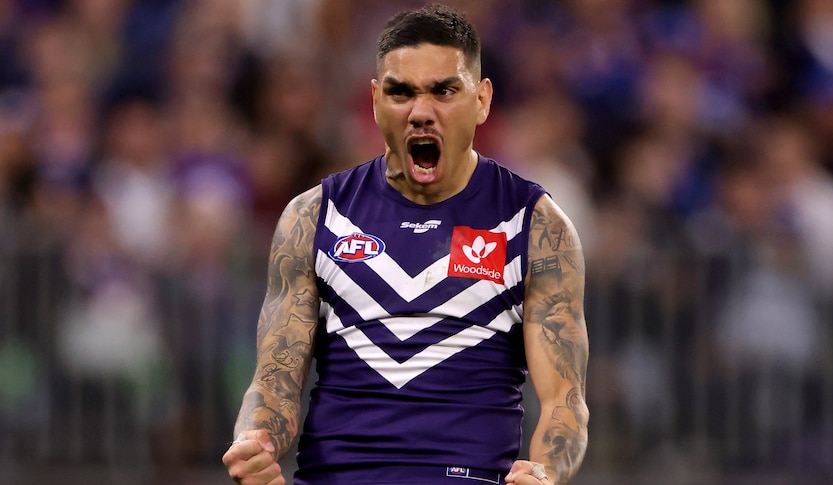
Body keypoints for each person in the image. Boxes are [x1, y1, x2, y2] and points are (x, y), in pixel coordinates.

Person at [222, 4, 589, 484]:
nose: (420, 112)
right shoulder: (314, 218)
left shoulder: (535, 225)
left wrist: (546, 473)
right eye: (400, 93)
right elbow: (272, 387)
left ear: (482, 100)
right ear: (375, 101)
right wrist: (255, 442)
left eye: (443, 91)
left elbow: (565, 401)